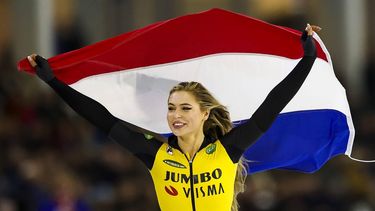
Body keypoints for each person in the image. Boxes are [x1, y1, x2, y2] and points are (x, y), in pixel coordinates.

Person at [27, 24, 321, 211]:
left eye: (185, 108)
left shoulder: (227, 150)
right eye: (171, 108)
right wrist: (54, 82)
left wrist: (307, 60)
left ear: (205, 114)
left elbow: (272, 105)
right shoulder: (155, 153)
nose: (175, 115)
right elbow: (101, 118)